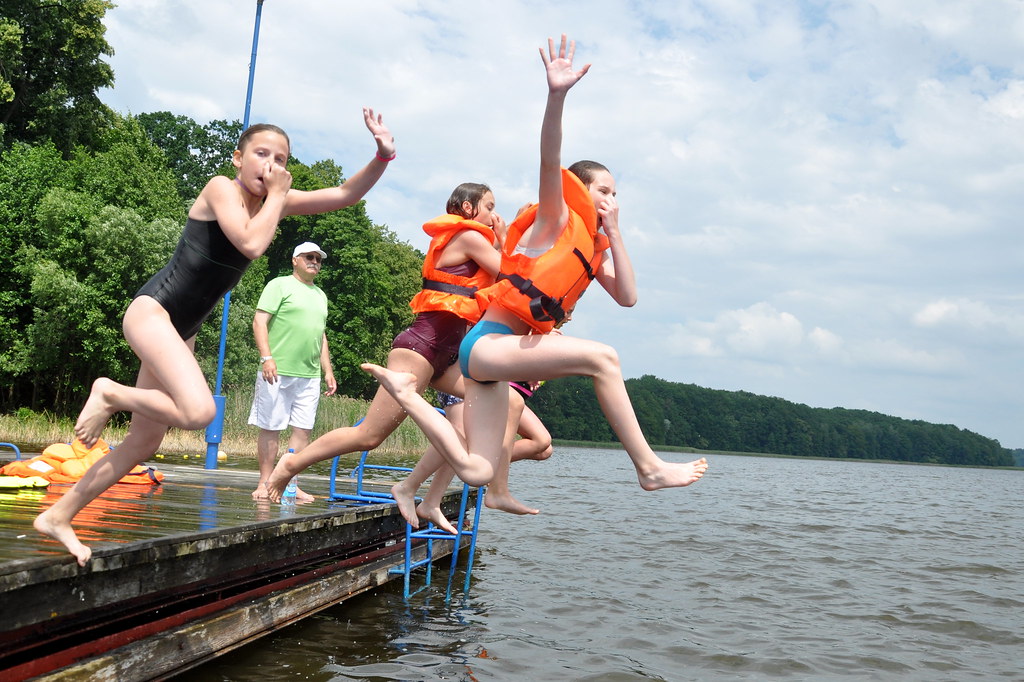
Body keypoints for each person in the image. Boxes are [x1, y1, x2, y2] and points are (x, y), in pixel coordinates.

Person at [34, 108, 397, 566]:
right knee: (199, 411)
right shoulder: (220, 188)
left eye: (280, 158)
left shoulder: (274, 203)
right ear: (238, 158)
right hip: (153, 312)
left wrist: (382, 156)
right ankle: (109, 393)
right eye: (261, 153)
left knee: (145, 443)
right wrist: (279, 199)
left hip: (178, 330)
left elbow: (344, 193)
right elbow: (249, 243)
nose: (270, 164)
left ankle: (59, 515)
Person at [367, 35, 708, 510]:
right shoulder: (556, 218)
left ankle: (411, 399)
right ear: (579, 191)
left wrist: (617, 232)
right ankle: (648, 467)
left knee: (478, 469)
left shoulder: (594, 247)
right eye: (604, 191)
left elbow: (628, 297)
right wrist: (557, 95)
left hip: (493, 364)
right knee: (603, 359)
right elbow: (550, 156)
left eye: (616, 193)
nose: (611, 199)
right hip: (486, 345)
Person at [262, 183, 509, 501]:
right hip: (420, 349)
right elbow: (509, 274)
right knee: (369, 436)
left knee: (493, 404)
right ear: (467, 208)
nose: (494, 216)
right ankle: (291, 463)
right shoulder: (469, 236)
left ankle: (415, 490)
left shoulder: (473, 239)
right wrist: (504, 239)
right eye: (489, 207)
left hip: (446, 355)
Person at [249, 241, 338, 502]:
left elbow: (320, 335)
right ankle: (265, 482)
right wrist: (267, 358)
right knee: (271, 426)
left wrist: (328, 371)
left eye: (318, 259)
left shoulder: (321, 295)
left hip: (309, 375)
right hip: (277, 370)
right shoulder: (279, 285)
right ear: (295, 260)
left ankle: (289, 483)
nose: (314, 262)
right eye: (309, 257)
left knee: (303, 430)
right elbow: (259, 321)